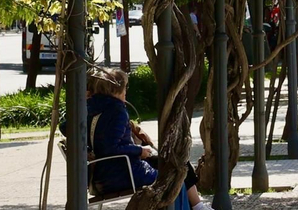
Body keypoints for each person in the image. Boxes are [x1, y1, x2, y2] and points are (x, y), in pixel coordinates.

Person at [88, 69, 210, 209]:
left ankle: (196, 206)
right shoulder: (116, 111)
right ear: (116, 89)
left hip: (101, 177)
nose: (126, 91)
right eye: (124, 87)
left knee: (173, 170)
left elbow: (66, 126)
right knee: (173, 180)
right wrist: (139, 150)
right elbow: (111, 147)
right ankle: (196, 206)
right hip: (123, 173)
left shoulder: (90, 109)